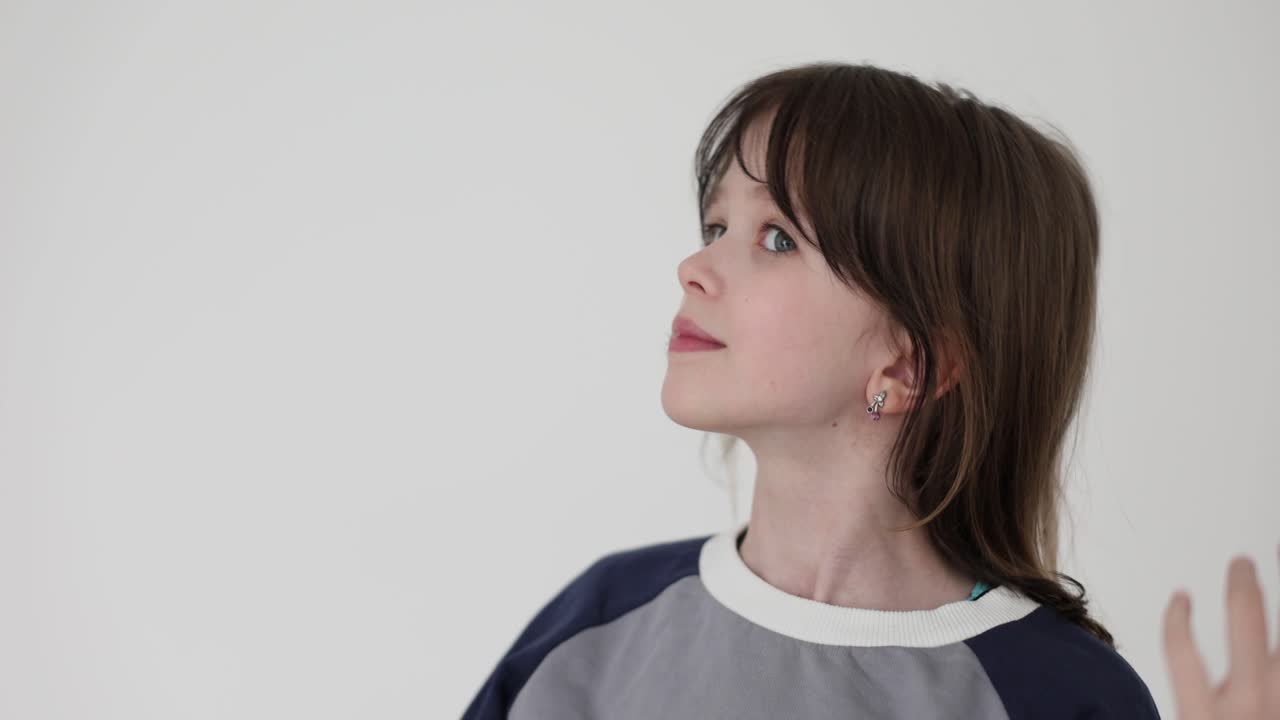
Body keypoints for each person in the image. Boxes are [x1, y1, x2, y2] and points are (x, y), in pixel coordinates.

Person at [461, 61, 1272, 719]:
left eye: (775, 238)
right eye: (715, 228)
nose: (695, 269)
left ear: (910, 365)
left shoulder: (1060, 698)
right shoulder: (599, 622)